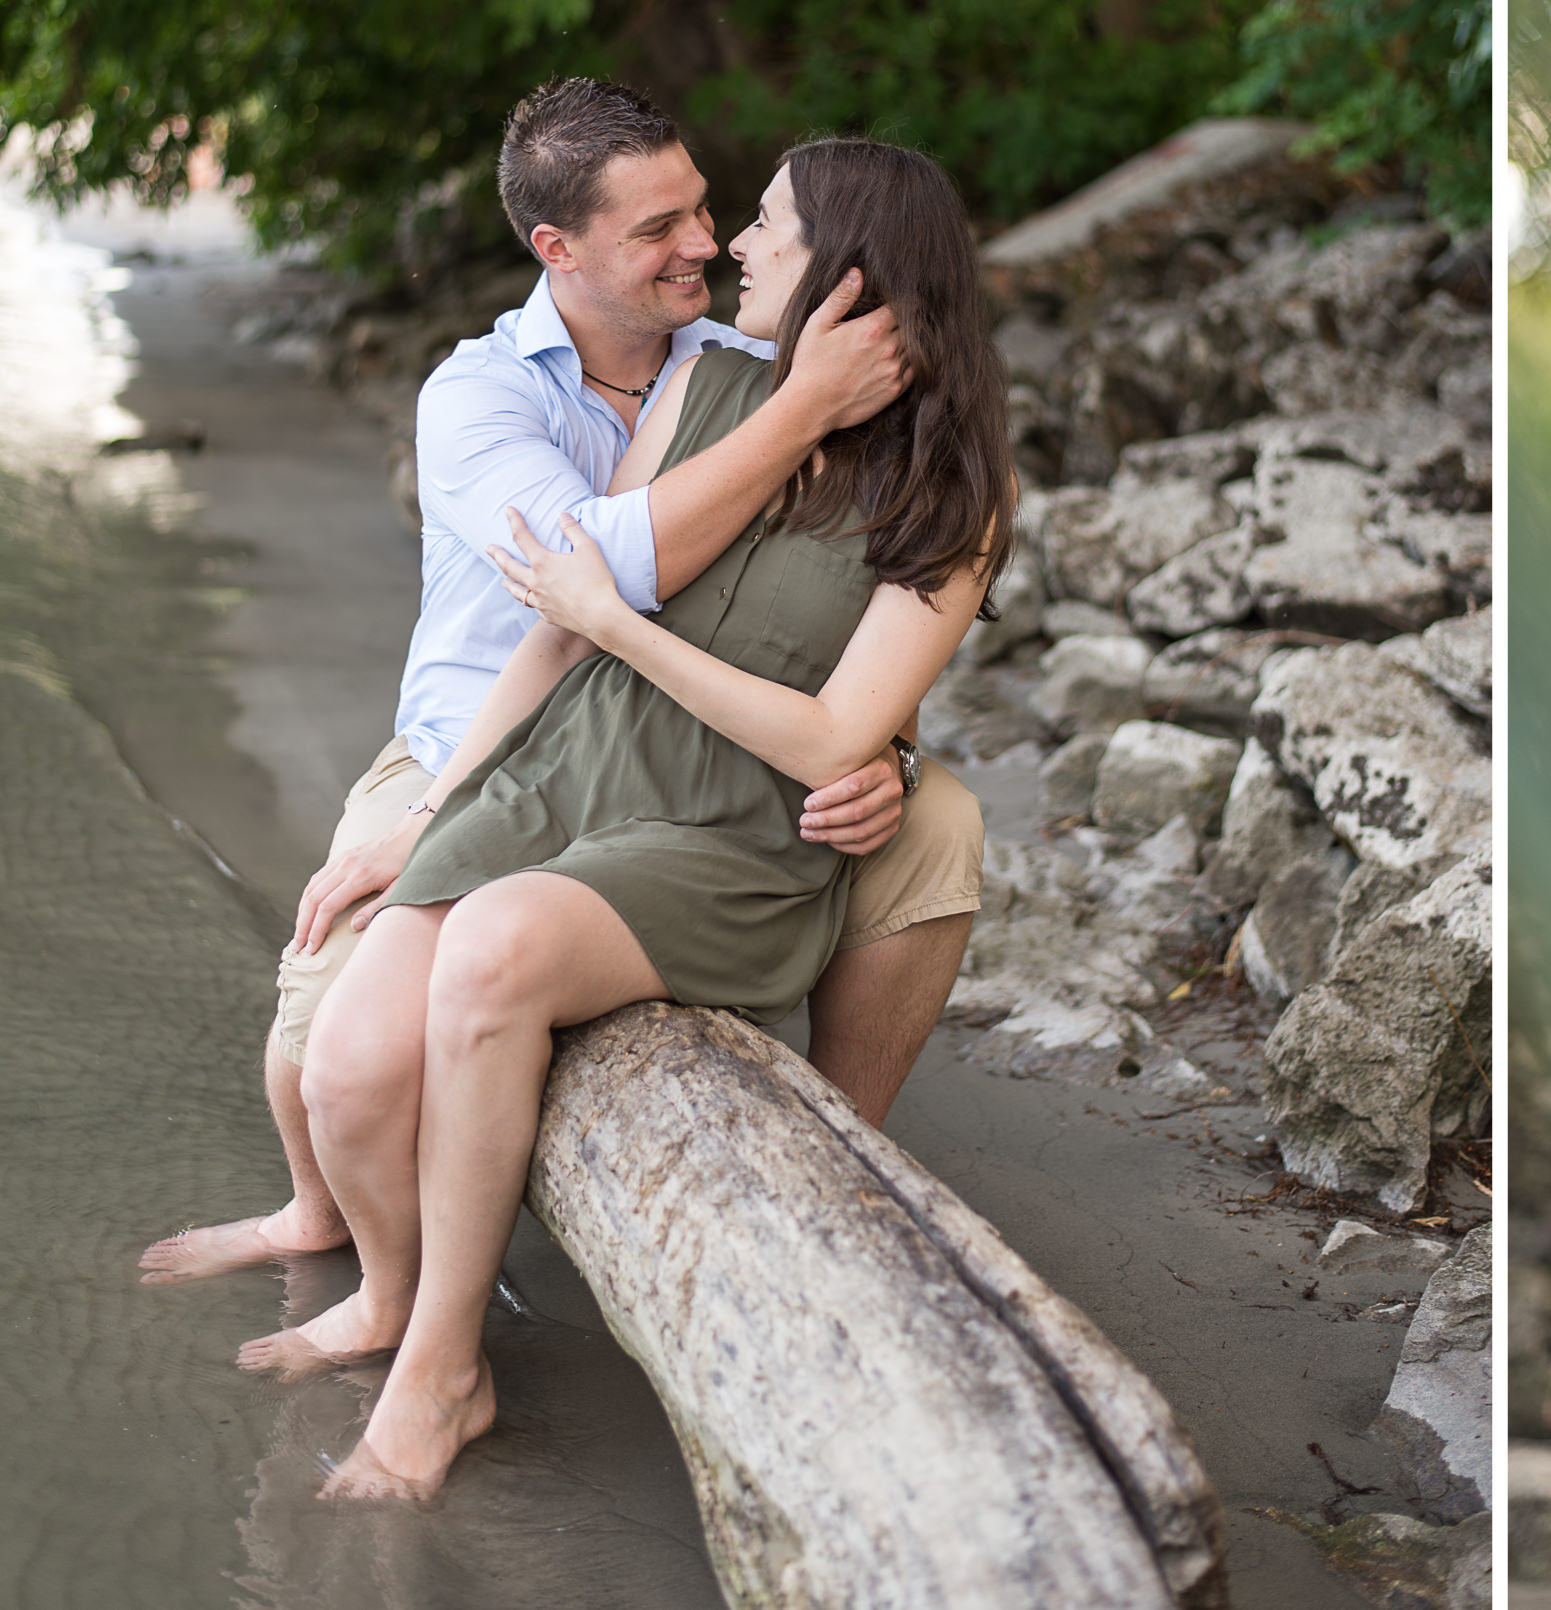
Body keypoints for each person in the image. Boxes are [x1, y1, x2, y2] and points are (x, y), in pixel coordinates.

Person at [139, 81, 983, 1292]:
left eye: (704, 209)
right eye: (658, 230)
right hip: (480, 735)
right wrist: (799, 410)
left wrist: (885, 755)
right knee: (328, 1035)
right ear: (559, 249)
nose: (703, 244)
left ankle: (837, 1163)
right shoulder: (483, 394)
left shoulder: (751, 353)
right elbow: (595, 586)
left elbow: (834, 594)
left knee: (943, 820)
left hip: (695, 736)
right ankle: (316, 1215)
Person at [280, 136, 1015, 1498]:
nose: (736, 245)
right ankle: (396, 1295)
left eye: (772, 230)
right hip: (563, 761)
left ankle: (445, 1370)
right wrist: (438, 808)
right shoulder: (716, 383)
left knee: (494, 950)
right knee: (349, 1060)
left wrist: (624, 626)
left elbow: (833, 735)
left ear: (850, 279)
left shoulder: (954, 495)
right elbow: (556, 637)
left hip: (733, 828)